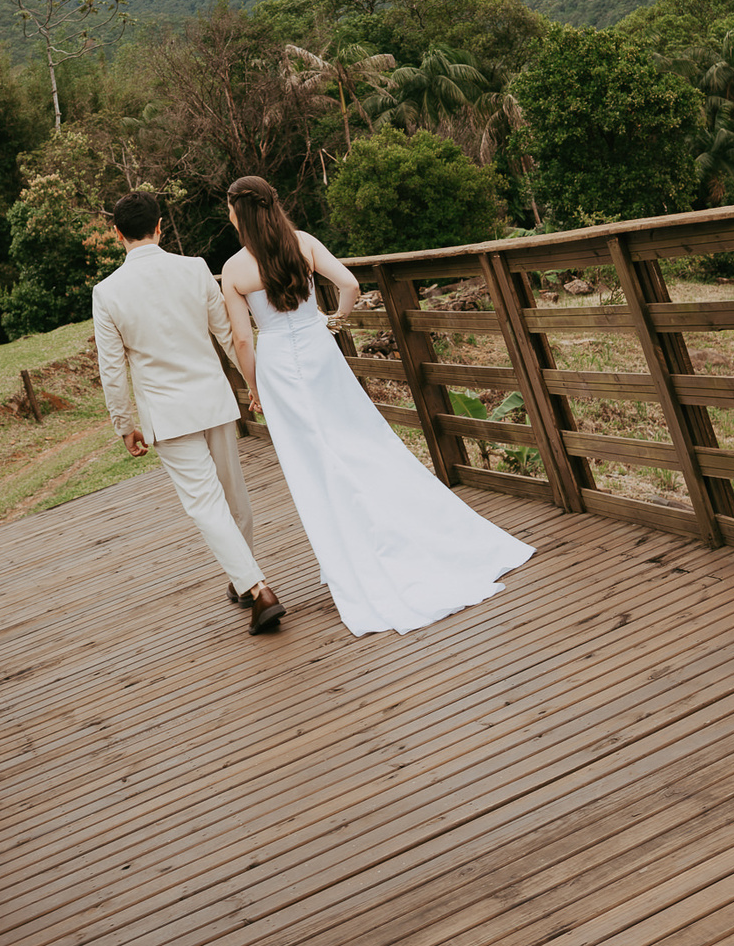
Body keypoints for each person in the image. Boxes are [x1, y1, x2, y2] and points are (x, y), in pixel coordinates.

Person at [220, 175, 533, 636]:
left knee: (313, 464)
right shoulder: (302, 243)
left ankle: (352, 546)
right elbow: (348, 283)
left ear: (238, 213)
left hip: (278, 368)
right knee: (362, 441)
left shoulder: (234, 269)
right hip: (318, 350)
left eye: (228, 209)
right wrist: (333, 323)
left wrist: (254, 387)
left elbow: (243, 339)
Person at [92, 188, 285, 636]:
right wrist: (253, 385)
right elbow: (228, 333)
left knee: (205, 505)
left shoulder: (107, 292)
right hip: (214, 400)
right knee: (234, 496)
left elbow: (112, 369)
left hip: (167, 412)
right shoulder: (195, 268)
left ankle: (257, 589)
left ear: (117, 233)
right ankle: (244, 583)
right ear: (159, 227)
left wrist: (125, 425)